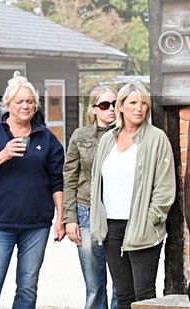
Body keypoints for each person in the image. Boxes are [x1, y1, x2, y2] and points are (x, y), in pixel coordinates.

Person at [0, 74, 65, 308]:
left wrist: (60, 219)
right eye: (19, 101)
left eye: (30, 101)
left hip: (36, 225)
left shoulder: (46, 137)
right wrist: (3, 154)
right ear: (7, 104)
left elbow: (57, 181)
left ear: (35, 104)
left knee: (27, 287)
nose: (25, 106)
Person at [89, 83, 175, 309]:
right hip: (111, 228)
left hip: (142, 226)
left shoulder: (157, 138)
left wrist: (152, 218)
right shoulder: (108, 139)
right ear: (120, 106)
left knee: (144, 295)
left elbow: (165, 186)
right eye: (133, 102)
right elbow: (97, 180)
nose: (139, 108)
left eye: (144, 103)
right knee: (123, 294)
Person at [63, 86, 119, 309]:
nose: (112, 109)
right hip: (86, 210)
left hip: (118, 212)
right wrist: (70, 218)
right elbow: (69, 177)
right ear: (94, 109)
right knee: (94, 285)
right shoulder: (80, 136)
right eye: (105, 105)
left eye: (115, 103)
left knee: (121, 283)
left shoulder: (127, 134)